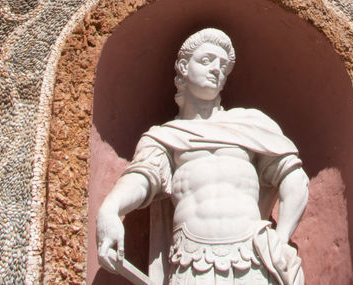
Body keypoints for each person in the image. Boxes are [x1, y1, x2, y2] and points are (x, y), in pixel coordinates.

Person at [96, 28, 307, 285]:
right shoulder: (164, 136)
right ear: (184, 66)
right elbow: (142, 177)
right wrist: (110, 210)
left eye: (223, 66)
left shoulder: (251, 124)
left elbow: (294, 178)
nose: (217, 69)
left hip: (251, 256)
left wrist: (282, 238)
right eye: (207, 61)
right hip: (191, 261)